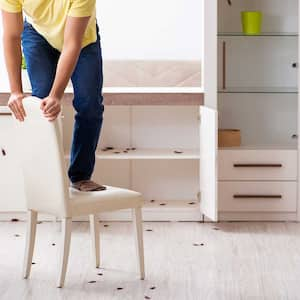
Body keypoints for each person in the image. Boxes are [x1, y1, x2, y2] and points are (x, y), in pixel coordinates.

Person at [0, 0, 106, 192]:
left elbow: (72, 43)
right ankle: (45, 178)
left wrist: (56, 95)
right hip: (38, 34)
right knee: (41, 105)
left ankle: (81, 176)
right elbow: (11, 35)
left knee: (90, 105)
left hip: (82, 41)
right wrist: (15, 91)